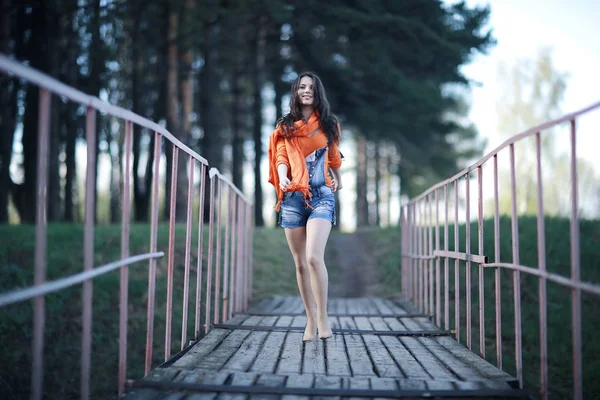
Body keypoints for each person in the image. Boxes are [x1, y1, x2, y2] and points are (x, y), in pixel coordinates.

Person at [268, 72, 343, 341]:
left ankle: (323, 318)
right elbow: (280, 154)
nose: (306, 91)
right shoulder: (285, 125)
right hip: (292, 197)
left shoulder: (329, 124)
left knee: (313, 257)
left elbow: (333, 158)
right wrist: (282, 173)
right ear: (296, 91)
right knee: (300, 263)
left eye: (311, 87)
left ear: (318, 91)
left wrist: (337, 175)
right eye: (302, 87)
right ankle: (310, 320)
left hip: (322, 194)